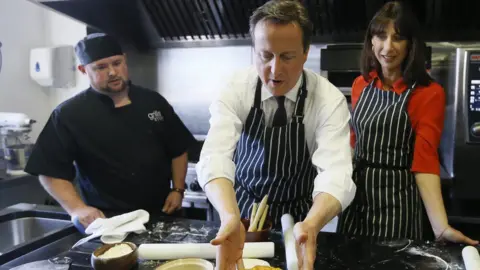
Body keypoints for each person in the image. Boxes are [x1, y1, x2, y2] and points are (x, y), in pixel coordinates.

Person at [196, 0, 356, 268]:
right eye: (266, 55)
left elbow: (336, 173)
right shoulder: (236, 88)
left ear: (305, 53)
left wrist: (313, 224)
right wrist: (228, 216)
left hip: (301, 218)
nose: (275, 69)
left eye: (287, 56)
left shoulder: (328, 99)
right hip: (243, 211)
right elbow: (215, 156)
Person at [337, 1, 478, 245]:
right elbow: (355, 142)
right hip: (356, 201)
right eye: (381, 36)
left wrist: (441, 227)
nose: (387, 47)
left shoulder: (428, 93)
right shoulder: (362, 84)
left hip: (397, 206)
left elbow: (424, 161)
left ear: (410, 45)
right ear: (371, 41)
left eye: (398, 38)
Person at [24, 33, 195, 231]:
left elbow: (178, 149)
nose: (112, 72)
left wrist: (178, 189)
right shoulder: (69, 114)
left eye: (117, 63)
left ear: (125, 60)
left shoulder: (153, 101)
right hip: (107, 220)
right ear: (83, 70)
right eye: (101, 67)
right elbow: (49, 169)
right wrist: (77, 209)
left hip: (163, 214)